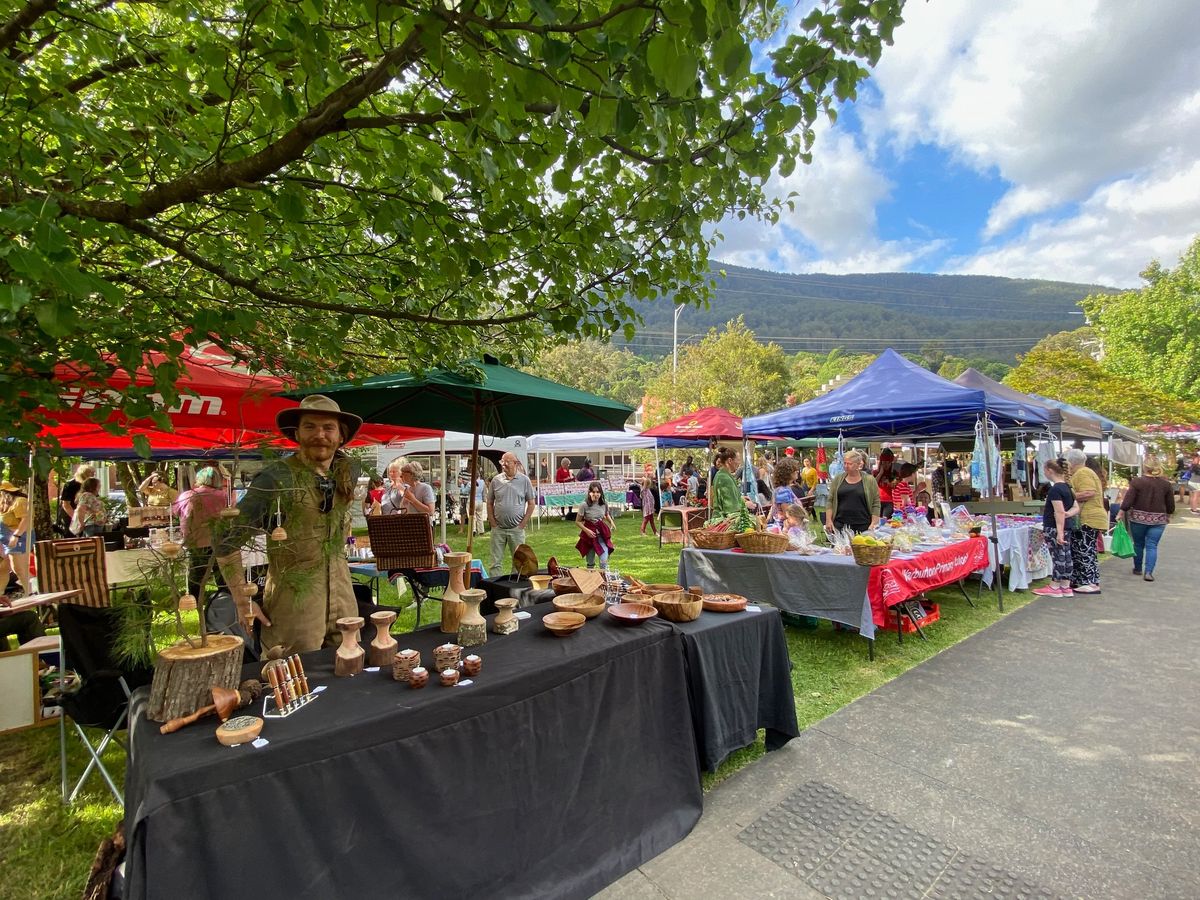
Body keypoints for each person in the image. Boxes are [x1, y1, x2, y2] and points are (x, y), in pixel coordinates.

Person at [217, 394, 362, 654]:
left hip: (343, 600)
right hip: (295, 606)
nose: (320, 434)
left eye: (328, 428)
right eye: (310, 426)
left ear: (341, 436)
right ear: (296, 433)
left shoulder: (346, 472)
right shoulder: (275, 478)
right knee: (293, 682)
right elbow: (225, 539)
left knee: (350, 671)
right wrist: (242, 599)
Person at [172, 466, 229, 601]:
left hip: (194, 540)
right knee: (221, 573)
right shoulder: (222, 496)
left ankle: (193, 600)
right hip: (218, 540)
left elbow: (174, 513)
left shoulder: (186, 495)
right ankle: (225, 598)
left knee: (196, 573)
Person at [1119, 458, 1175, 582]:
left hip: (1138, 518)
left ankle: (1138, 568)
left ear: (1144, 467)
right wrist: (1169, 514)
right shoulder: (1166, 484)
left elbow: (1128, 500)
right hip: (1159, 519)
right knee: (1152, 546)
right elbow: (1170, 504)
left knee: (1138, 544)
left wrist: (1121, 511)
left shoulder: (1137, 482)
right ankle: (1149, 572)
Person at [1033, 460, 1079, 597]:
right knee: (1066, 556)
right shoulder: (1068, 488)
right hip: (1067, 526)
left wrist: (1059, 532)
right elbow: (1076, 507)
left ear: (1050, 471)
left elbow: (1058, 511)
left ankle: (1055, 586)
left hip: (1054, 527)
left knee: (1058, 556)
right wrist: (1068, 514)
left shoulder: (1055, 490)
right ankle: (1065, 585)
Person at [487, 451, 535, 574]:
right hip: (498, 529)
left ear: (516, 463)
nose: (504, 464)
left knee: (519, 562)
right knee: (495, 562)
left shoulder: (524, 480)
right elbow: (489, 502)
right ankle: (495, 588)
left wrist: (523, 523)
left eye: (507, 462)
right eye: (502, 461)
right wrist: (492, 522)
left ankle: (515, 589)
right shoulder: (496, 480)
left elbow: (531, 503)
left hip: (516, 529)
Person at [1066, 449, 1106, 594]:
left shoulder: (1083, 473)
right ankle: (1084, 580)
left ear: (1071, 462)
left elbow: (1089, 492)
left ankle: (1089, 582)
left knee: (1084, 550)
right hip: (1088, 518)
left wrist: (1067, 496)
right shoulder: (1084, 472)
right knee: (1082, 549)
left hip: (1088, 518)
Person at [825, 449, 880, 534]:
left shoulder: (869, 480)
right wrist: (828, 520)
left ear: (858, 465)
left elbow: (876, 503)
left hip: (863, 525)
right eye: (845, 463)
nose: (846, 466)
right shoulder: (838, 479)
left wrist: (874, 523)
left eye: (850, 464)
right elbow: (830, 500)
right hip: (840, 524)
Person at [0, 481, 34, 596]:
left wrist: (16, 536)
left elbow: (26, 520)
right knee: (3, 567)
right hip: (5, 539)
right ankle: (0, 594)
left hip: (20, 537)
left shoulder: (20, 501)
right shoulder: (3, 504)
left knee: (18, 568)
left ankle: (32, 592)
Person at [574, 481, 615, 569]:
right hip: (589, 537)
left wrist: (611, 522)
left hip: (601, 536)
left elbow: (606, 514)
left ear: (600, 493)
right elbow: (577, 521)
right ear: (589, 492)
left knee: (604, 559)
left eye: (597, 492)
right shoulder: (584, 505)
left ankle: (604, 579)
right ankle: (592, 580)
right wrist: (587, 531)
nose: (595, 494)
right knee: (590, 562)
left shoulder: (604, 504)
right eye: (593, 492)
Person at [56, 463, 95, 536]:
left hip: (84, 516)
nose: (93, 475)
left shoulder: (89, 485)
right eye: (91, 473)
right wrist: (76, 518)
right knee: (71, 538)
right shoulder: (70, 484)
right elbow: (66, 504)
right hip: (70, 515)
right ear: (84, 473)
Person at [710, 447, 747, 519]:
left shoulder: (722, 475)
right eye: (738, 460)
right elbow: (730, 508)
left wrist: (740, 498)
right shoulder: (724, 478)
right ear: (730, 460)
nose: (739, 463)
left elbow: (727, 498)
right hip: (725, 521)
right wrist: (745, 504)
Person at [769, 458, 799, 525]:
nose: (797, 471)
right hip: (786, 530)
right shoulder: (783, 492)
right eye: (794, 470)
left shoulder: (785, 488)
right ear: (787, 473)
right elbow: (787, 515)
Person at [873, 448, 897, 519]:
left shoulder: (894, 473)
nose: (885, 465)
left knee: (884, 520)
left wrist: (889, 482)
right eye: (883, 463)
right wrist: (880, 473)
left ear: (891, 463)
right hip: (877, 501)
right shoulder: (875, 473)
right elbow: (873, 485)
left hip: (890, 501)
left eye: (888, 463)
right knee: (876, 521)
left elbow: (895, 486)